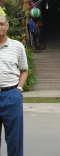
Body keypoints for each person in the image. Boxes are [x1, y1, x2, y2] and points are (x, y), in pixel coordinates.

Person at [0, 15, 28, 156]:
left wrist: (19, 88)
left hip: (11, 95)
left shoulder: (17, 46)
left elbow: (24, 70)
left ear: (7, 26)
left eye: (1, 24)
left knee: (14, 139)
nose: (0, 27)